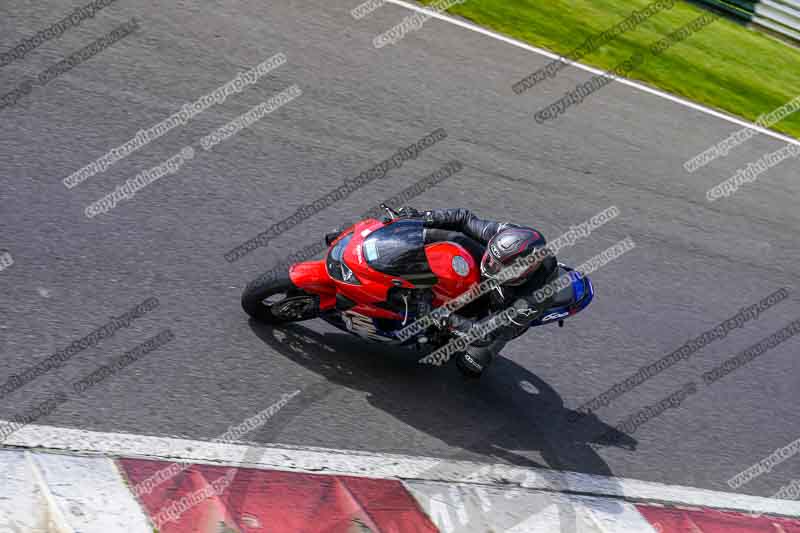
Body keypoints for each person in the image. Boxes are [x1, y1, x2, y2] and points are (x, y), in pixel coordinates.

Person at [399, 206, 559, 378]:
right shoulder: (505, 235)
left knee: (470, 364)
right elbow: (464, 218)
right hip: (502, 277)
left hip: (506, 309)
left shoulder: (534, 297)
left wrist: (439, 316)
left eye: (497, 266)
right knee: (456, 238)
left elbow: (485, 333)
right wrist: (421, 217)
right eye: (491, 260)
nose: (490, 266)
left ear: (521, 271)